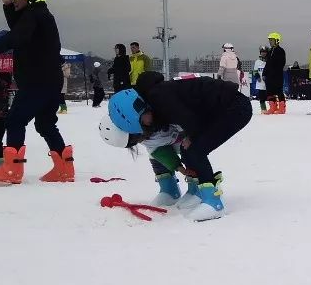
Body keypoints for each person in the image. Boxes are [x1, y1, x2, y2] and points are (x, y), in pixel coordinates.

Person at [108, 70, 253, 220]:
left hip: (234, 108)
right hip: (217, 110)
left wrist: (191, 136)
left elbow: (190, 120)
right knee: (188, 149)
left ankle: (214, 203)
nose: (146, 126)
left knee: (195, 150)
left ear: (138, 110)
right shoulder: (152, 99)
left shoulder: (159, 97)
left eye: (142, 123)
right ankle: (196, 192)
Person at [0, 0, 75, 184]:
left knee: (15, 120)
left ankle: (12, 170)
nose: (14, 1)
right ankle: (65, 168)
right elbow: (19, 27)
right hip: (50, 80)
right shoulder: (41, 15)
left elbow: (17, 35)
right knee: (46, 124)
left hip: (37, 81)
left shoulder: (34, 15)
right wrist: (7, 5)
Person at [264, 33, 286, 114]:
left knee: (279, 91)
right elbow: (267, 64)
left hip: (277, 75)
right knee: (269, 91)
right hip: (269, 76)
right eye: (269, 40)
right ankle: (272, 107)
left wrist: (275, 72)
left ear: (277, 41)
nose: (270, 42)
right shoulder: (270, 51)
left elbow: (282, 63)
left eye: (272, 40)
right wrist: (264, 73)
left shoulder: (280, 50)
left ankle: (282, 108)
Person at [253, 47, 269, 112]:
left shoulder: (269, 61)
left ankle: (272, 108)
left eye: (265, 52)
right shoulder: (257, 62)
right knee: (261, 96)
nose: (263, 53)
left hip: (268, 82)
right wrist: (257, 77)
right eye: (262, 52)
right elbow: (255, 71)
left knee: (270, 95)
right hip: (260, 82)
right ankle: (263, 109)